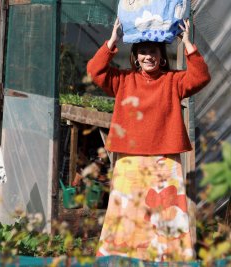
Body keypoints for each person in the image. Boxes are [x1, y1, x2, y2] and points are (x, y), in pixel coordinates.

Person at [87, 18, 210, 262]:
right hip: (129, 159)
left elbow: (200, 77)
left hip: (165, 158)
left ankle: (170, 257)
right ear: (135, 56)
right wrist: (113, 40)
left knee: (166, 209)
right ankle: (121, 255)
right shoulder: (122, 80)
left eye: (152, 51)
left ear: (161, 55)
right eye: (142, 52)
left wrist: (187, 43)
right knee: (127, 208)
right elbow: (95, 70)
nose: (148, 57)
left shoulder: (173, 81)